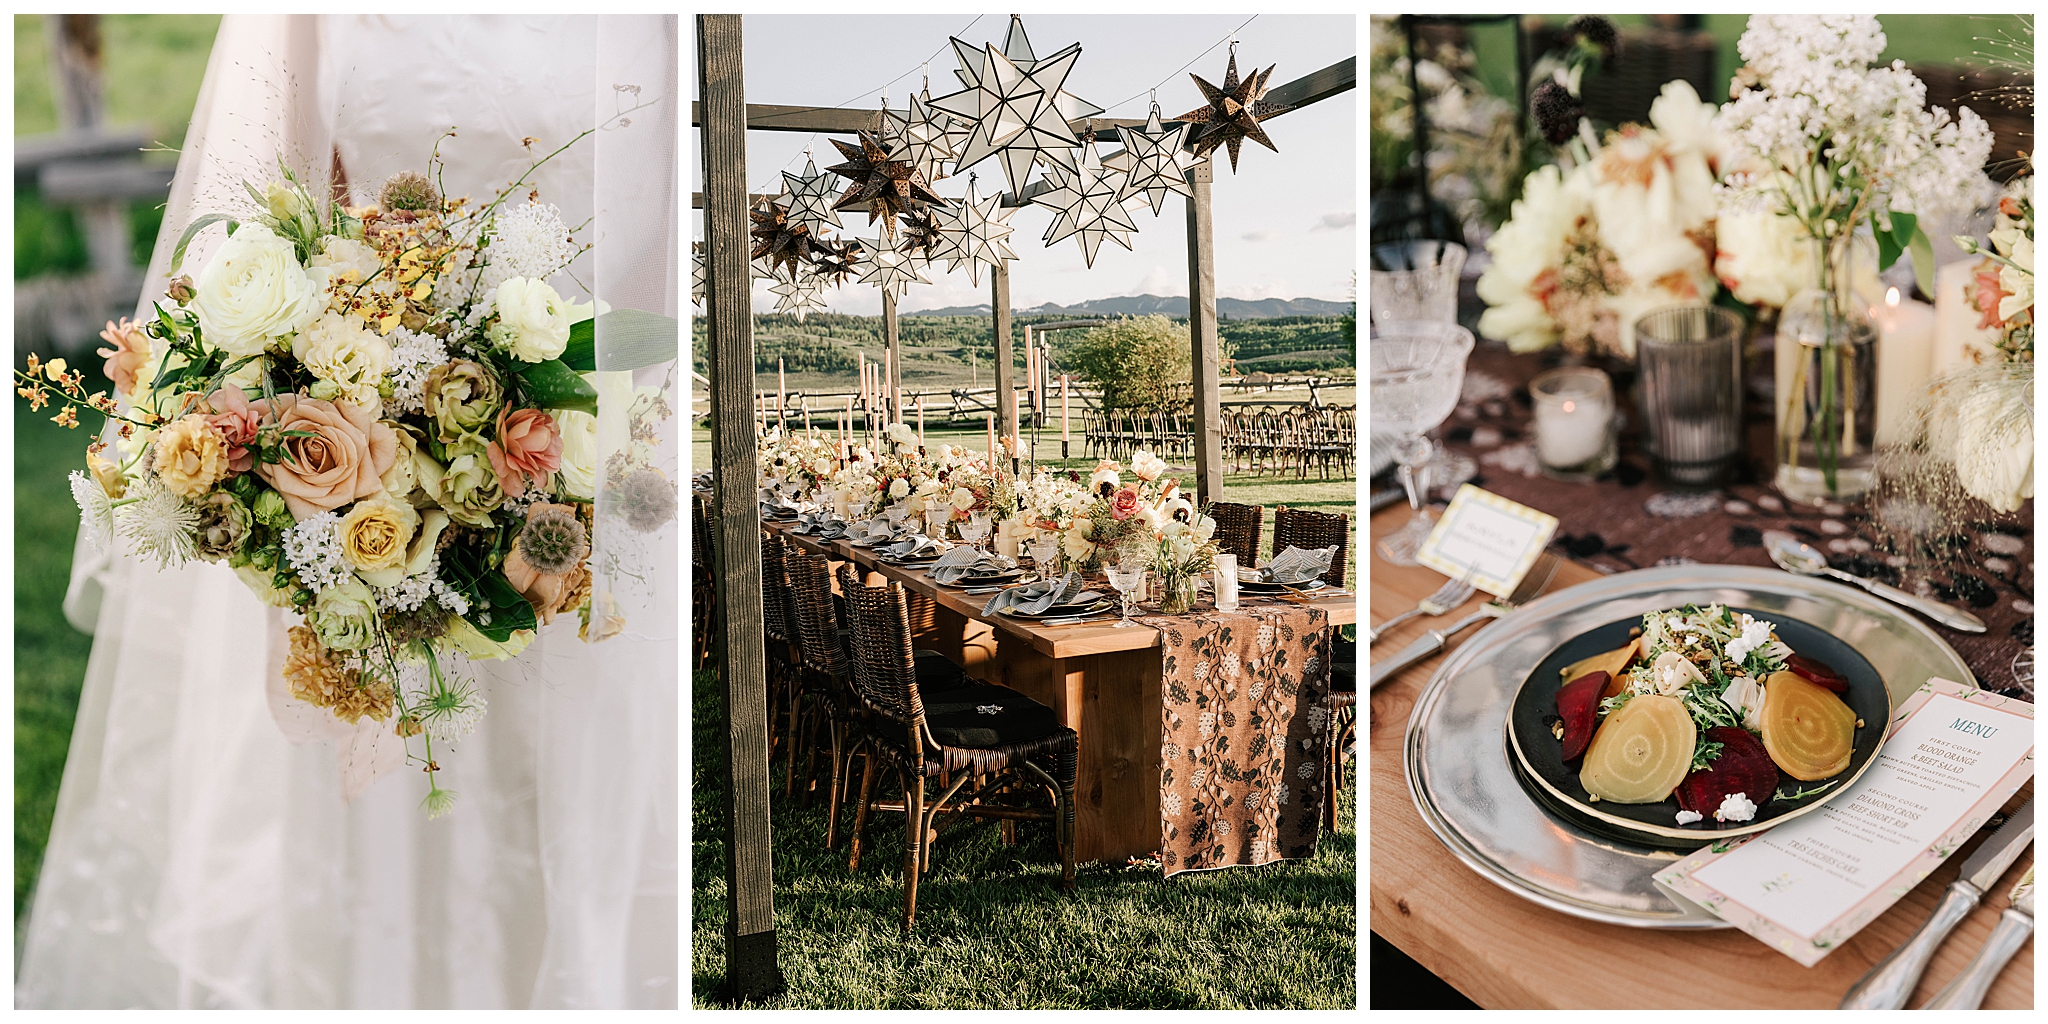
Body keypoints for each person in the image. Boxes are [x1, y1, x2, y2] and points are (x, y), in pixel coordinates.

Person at [17, 15, 678, 1009]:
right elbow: (273, 214)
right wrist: (296, 437)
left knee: (571, 829)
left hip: (604, 483)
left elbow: (666, 242)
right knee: (390, 841)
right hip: (364, 518)